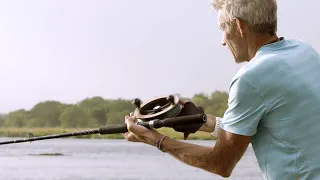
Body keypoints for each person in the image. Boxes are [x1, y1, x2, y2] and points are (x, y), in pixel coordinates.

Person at [122, 0, 320, 179]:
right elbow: (263, 127)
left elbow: (221, 163)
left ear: (239, 25)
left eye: (223, 28)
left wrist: (155, 139)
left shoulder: (250, 78)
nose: (223, 41)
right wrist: (202, 121)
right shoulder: (303, 50)